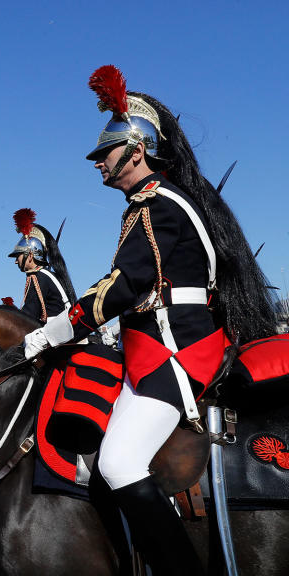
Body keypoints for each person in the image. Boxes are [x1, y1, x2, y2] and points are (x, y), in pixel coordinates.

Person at [19, 66, 277, 574]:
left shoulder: (159, 205)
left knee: (118, 463)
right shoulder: (147, 205)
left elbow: (125, 285)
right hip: (150, 349)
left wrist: (55, 330)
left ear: (135, 150)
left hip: (176, 351)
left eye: (105, 154)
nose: (98, 164)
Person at [8, 209, 77, 324]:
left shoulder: (38, 277)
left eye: (17, 256)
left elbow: (29, 315)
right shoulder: (46, 275)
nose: (16, 261)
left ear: (30, 255)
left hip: (56, 331)